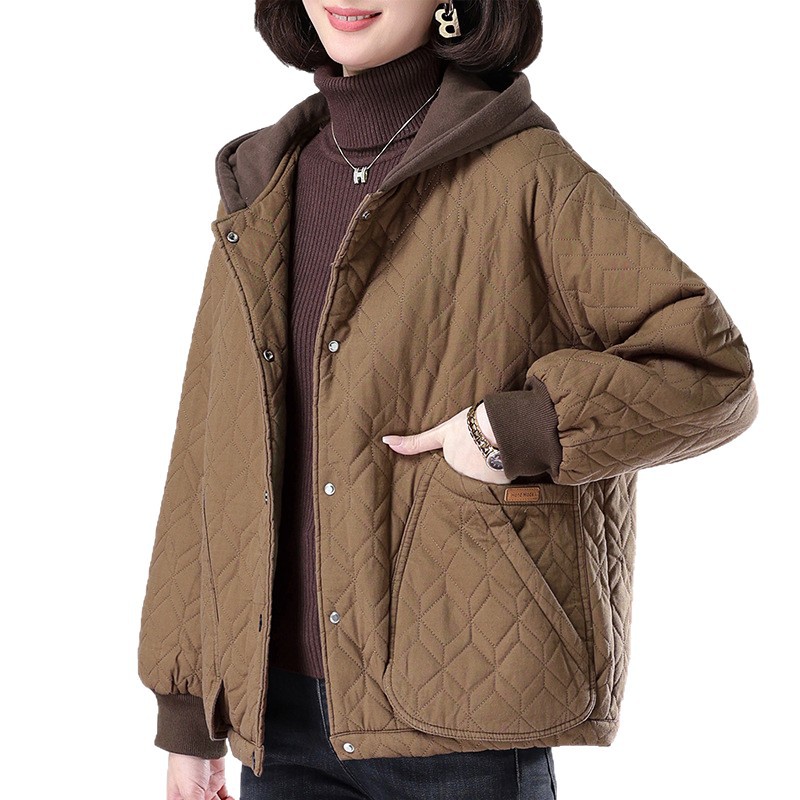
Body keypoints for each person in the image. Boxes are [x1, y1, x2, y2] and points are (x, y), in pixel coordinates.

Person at [137, 2, 758, 799]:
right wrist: (189, 712)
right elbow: (209, 445)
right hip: (277, 723)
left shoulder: (525, 171)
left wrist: (519, 429)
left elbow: (712, 371)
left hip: (462, 724)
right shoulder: (264, 187)